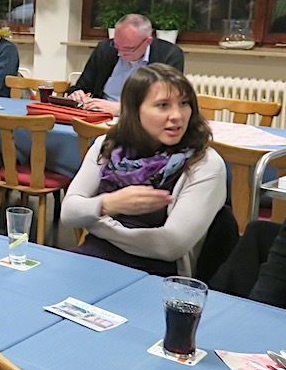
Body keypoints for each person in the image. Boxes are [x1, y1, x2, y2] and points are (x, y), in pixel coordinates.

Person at [62, 64, 225, 277]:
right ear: (134, 110)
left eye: (184, 103)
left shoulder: (205, 164)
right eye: (163, 105)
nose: (177, 115)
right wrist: (109, 204)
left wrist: (96, 222)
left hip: (157, 275)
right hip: (95, 258)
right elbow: (68, 212)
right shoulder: (109, 145)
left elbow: (169, 246)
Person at [67, 14, 185, 116]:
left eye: (128, 49)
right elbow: (82, 86)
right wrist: (77, 94)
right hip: (98, 115)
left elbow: (167, 102)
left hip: (142, 120)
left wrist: (122, 109)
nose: (120, 53)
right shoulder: (105, 49)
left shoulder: (169, 55)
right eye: (117, 45)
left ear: (148, 41)